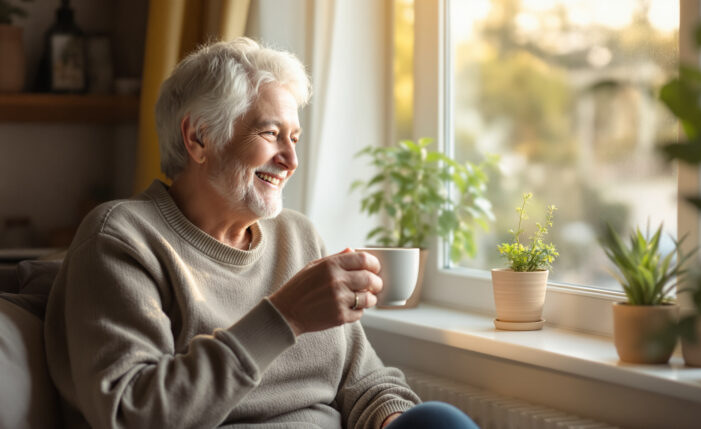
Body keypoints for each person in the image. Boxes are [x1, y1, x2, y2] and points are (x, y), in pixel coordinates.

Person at [44, 38, 479, 429]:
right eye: (271, 134)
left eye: (295, 138)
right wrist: (284, 317)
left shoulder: (298, 237)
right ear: (198, 137)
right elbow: (131, 413)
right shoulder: (121, 238)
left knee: (437, 420)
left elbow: (364, 381)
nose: (291, 160)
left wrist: (392, 419)